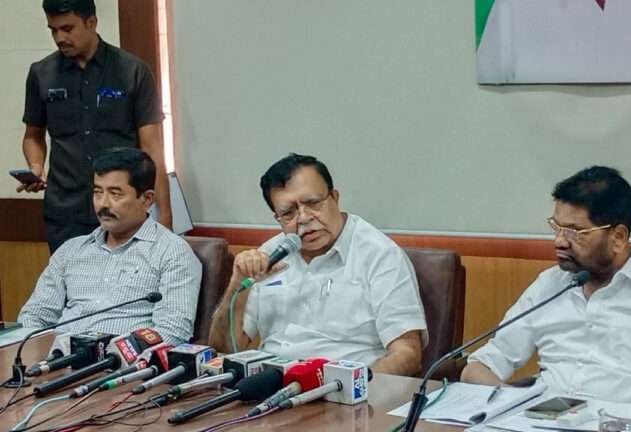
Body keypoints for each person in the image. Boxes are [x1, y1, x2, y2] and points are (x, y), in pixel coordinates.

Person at [461, 166, 631, 418]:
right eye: (557, 227)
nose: (559, 241)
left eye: (575, 231)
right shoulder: (550, 285)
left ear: (618, 237)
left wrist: (628, 421)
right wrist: (513, 405)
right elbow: (478, 368)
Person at [208, 153, 428, 375]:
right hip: (272, 383)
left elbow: (407, 354)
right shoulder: (269, 255)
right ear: (277, 218)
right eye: (288, 213)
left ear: (334, 197)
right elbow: (223, 350)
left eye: (313, 203)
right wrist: (238, 285)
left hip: (344, 387)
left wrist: (356, 386)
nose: (304, 218)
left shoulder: (380, 255)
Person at [18, 0, 171, 253]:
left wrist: (164, 216)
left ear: (91, 22)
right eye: (53, 30)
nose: (59, 38)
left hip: (123, 211)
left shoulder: (133, 71)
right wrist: (35, 166)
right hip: (65, 212)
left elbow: (152, 148)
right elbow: (32, 136)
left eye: (67, 29)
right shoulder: (41, 74)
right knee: (70, 278)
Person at [18, 148, 200, 346]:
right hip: (58, 356)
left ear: (147, 199)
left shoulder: (171, 252)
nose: (103, 204)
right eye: (97, 192)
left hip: (123, 361)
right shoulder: (71, 251)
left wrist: (114, 355)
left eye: (115, 194)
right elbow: (34, 315)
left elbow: (173, 331)